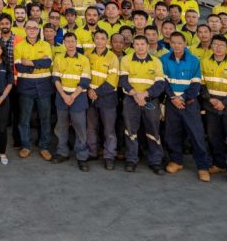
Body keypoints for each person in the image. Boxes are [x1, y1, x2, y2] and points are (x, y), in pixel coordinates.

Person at [161, 31, 211, 181]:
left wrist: (182, 98)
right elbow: (164, 82)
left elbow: (196, 85)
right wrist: (173, 98)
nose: (176, 45)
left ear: (185, 44)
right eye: (173, 43)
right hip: (172, 104)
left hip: (189, 104)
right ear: (170, 44)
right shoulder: (164, 59)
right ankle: (176, 161)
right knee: (172, 133)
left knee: (196, 135)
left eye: (179, 43)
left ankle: (202, 167)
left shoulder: (194, 60)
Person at [119, 34, 166, 175]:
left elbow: (160, 84)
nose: (140, 47)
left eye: (142, 44)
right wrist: (136, 94)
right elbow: (123, 81)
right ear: (133, 45)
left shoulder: (156, 62)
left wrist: (144, 94)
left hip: (150, 100)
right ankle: (131, 159)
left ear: (147, 46)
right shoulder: (126, 60)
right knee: (130, 129)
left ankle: (155, 161)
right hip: (131, 99)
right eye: (137, 44)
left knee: (153, 129)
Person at [200, 35, 227, 184]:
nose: (218, 48)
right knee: (214, 137)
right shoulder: (205, 62)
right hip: (211, 107)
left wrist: (224, 103)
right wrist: (210, 99)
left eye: (221, 45)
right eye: (215, 44)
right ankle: (219, 164)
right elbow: (201, 84)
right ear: (211, 46)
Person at [14, 20, 53, 161]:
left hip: (44, 86)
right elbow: (19, 66)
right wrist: (38, 63)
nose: (32, 30)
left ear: (39, 30)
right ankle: (26, 146)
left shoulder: (46, 45)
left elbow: (47, 63)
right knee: (24, 119)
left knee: (45, 118)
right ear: (25, 29)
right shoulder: (19, 46)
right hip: (26, 87)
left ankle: (44, 147)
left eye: (34, 28)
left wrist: (29, 62)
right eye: (29, 27)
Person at [51, 34, 91, 171]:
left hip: (78, 97)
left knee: (80, 127)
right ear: (64, 43)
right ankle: (62, 152)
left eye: (73, 41)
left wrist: (72, 96)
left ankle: (82, 156)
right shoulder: (58, 58)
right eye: (67, 41)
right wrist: (64, 95)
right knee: (61, 126)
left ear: (76, 42)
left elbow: (85, 81)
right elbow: (56, 79)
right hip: (62, 97)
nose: (70, 44)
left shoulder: (84, 59)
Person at [86, 30, 119, 170]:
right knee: (91, 127)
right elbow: (83, 75)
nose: (99, 41)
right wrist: (89, 89)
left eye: (103, 38)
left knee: (109, 130)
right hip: (90, 96)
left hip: (107, 97)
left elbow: (112, 81)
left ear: (107, 41)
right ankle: (92, 152)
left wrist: (96, 92)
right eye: (97, 38)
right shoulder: (87, 55)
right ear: (94, 39)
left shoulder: (112, 58)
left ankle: (109, 156)